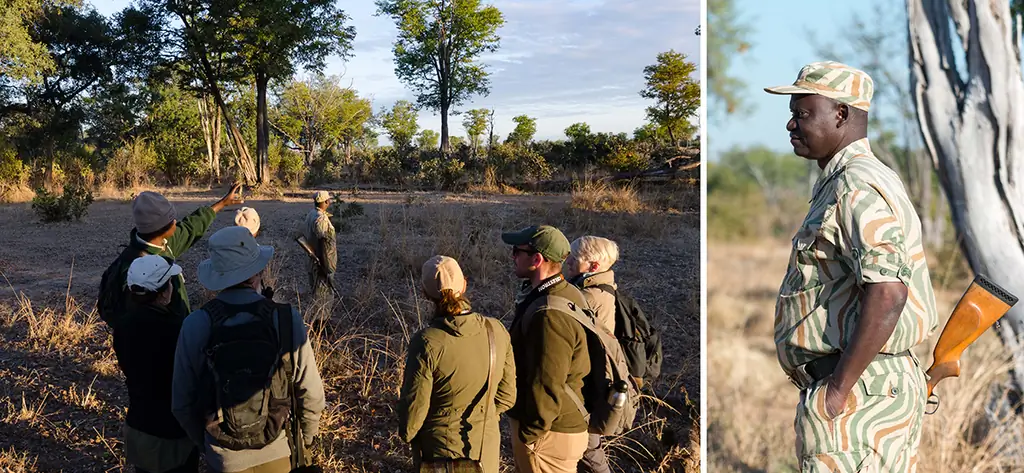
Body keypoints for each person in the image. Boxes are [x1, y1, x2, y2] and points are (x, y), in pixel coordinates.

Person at [764, 61, 939, 471]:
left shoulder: (854, 183)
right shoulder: (847, 178)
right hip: (866, 387)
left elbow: (889, 291)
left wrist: (837, 391)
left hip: (858, 396)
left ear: (841, 113)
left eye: (802, 114)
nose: (791, 125)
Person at [171, 226, 326, 473]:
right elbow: (312, 394)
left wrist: (207, 444)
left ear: (218, 277)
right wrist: (305, 438)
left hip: (223, 459)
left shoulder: (195, 324)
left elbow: (181, 404)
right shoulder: (286, 319)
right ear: (258, 272)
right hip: (278, 449)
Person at [397, 255, 516, 473]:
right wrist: (483, 417)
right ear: (465, 284)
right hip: (484, 451)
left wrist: (408, 434)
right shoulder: (496, 330)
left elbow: (414, 413)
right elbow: (507, 396)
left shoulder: (427, 342)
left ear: (424, 294)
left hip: (439, 454)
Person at [502, 225, 590, 473]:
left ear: (537, 259)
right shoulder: (567, 291)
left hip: (550, 434)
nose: (513, 257)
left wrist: (531, 434)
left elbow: (548, 380)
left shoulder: (549, 314)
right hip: (556, 426)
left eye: (517, 251)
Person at [98, 184, 245, 328]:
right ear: (163, 229)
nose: (176, 222)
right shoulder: (136, 270)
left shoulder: (159, 242)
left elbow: (191, 227)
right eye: (172, 220)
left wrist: (222, 203)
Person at [114, 255, 198, 473]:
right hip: (172, 433)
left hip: (139, 426)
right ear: (163, 292)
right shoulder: (177, 329)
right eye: (170, 282)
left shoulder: (122, 325)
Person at [562, 235, 620, 473]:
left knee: (588, 446)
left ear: (593, 267)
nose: (568, 264)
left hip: (588, 379)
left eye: (574, 260)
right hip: (592, 374)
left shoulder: (588, 296)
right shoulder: (599, 289)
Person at [301, 191, 337, 323]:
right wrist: (325, 266)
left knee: (317, 294)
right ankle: (321, 326)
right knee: (324, 297)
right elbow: (322, 242)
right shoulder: (320, 219)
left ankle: (318, 324)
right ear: (326, 202)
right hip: (321, 263)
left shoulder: (311, 214)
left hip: (313, 261)